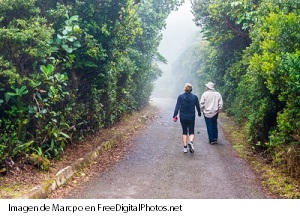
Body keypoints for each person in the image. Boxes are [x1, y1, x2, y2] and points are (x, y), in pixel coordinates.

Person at [173, 83, 201, 153]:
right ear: (191, 89)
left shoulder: (180, 97)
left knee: (184, 131)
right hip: (191, 116)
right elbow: (197, 106)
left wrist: (174, 115)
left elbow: (177, 107)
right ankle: (191, 142)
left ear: (184, 88)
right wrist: (199, 113)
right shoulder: (195, 97)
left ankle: (185, 147)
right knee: (191, 131)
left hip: (183, 116)